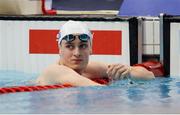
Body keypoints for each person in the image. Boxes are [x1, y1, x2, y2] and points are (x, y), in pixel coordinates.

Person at [36, 20, 155, 87]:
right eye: (69, 46)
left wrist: (128, 72)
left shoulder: (91, 68)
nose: (77, 53)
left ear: (91, 49)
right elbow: (96, 90)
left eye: (82, 46)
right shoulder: (54, 71)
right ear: (59, 49)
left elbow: (150, 76)